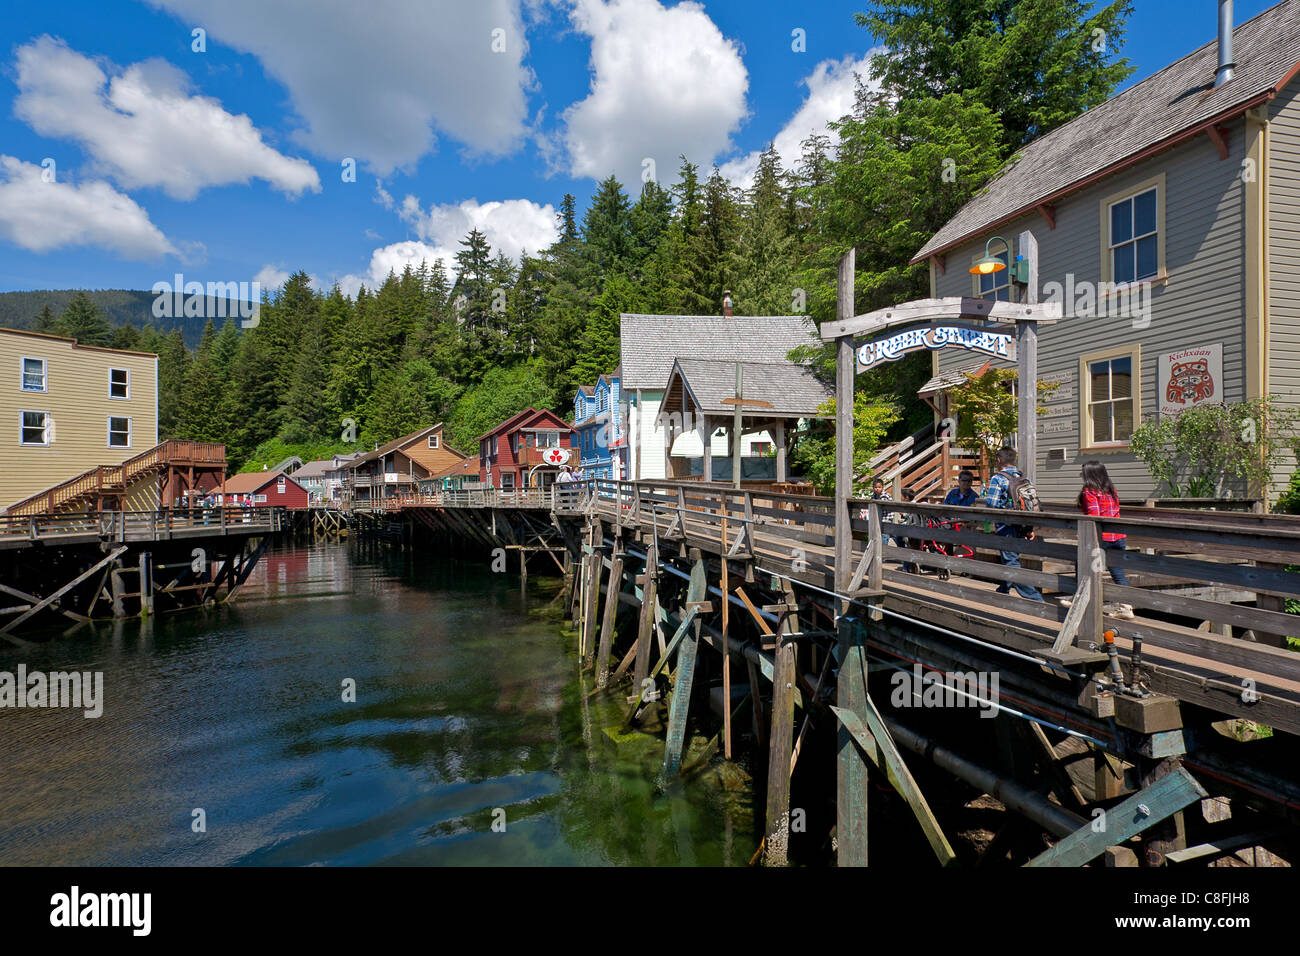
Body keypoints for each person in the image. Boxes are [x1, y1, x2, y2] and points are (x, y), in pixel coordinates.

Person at [983, 447, 1044, 602]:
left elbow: (992, 503)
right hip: (1023, 525)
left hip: (1006, 525)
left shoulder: (998, 478)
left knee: (1010, 561)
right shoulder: (1024, 478)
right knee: (1010, 558)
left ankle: (1036, 599)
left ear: (998, 460)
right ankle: (1003, 590)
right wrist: (1029, 528)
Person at [1078, 460, 1135, 617]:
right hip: (1118, 536)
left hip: (1101, 539)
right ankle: (1126, 608)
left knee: (1086, 567)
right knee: (1117, 572)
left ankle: (1082, 601)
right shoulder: (1111, 490)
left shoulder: (1090, 491)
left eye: (1083, 473)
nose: (1082, 476)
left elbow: (1094, 515)